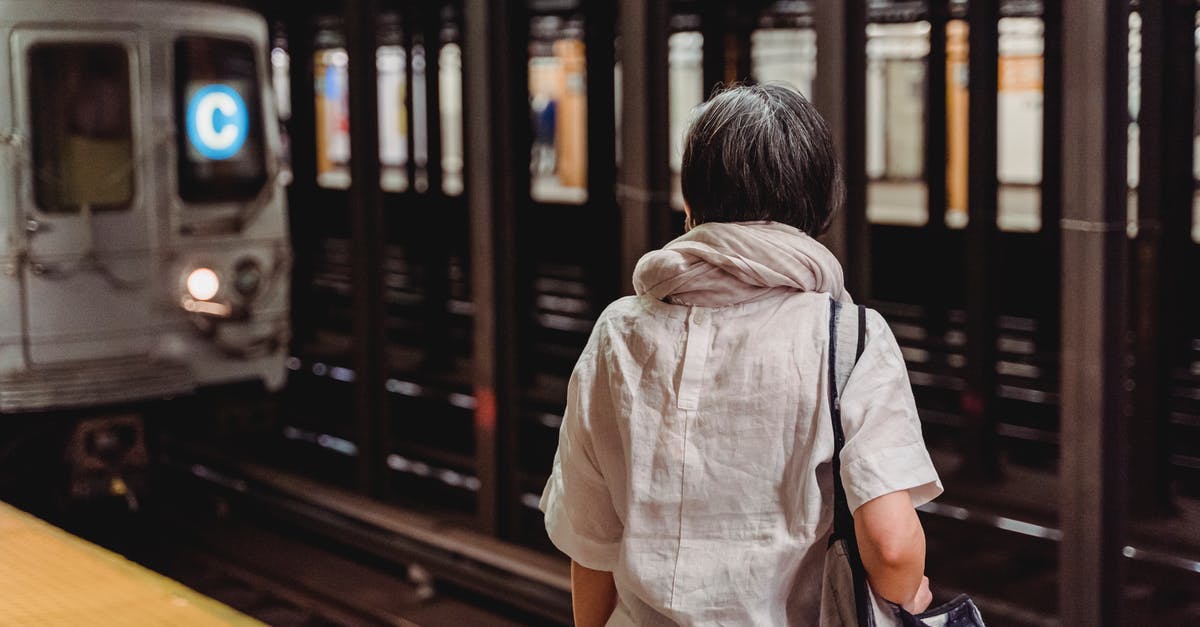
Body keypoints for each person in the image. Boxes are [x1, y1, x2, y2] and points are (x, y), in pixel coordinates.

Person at [539, 83, 943, 626]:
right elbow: (891, 546)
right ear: (821, 207)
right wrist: (907, 599)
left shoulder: (618, 333)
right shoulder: (851, 339)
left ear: (691, 206)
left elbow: (590, 544)